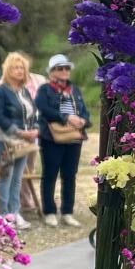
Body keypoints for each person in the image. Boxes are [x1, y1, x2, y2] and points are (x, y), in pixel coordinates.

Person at [35, 54, 90, 228]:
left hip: (74, 138)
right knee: (50, 175)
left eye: (66, 68)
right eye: (60, 68)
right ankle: (50, 212)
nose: (64, 71)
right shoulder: (45, 89)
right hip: (52, 138)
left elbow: (84, 111)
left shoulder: (75, 90)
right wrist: (66, 117)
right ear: (51, 72)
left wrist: (83, 121)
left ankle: (67, 212)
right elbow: (43, 108)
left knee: (70, 176)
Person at [0, 52, 39, 230]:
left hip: (24, 141)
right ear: (8, 70)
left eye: (22, 67)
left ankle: (15, 213)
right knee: (5, 176)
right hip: (6, 139)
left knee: (17, 178)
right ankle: (3, 215)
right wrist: (18, 132)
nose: (19, 71)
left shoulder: (24, 91)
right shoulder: (0, 91)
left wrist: (35, 129)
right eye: (15, 67)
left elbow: (34, 113)